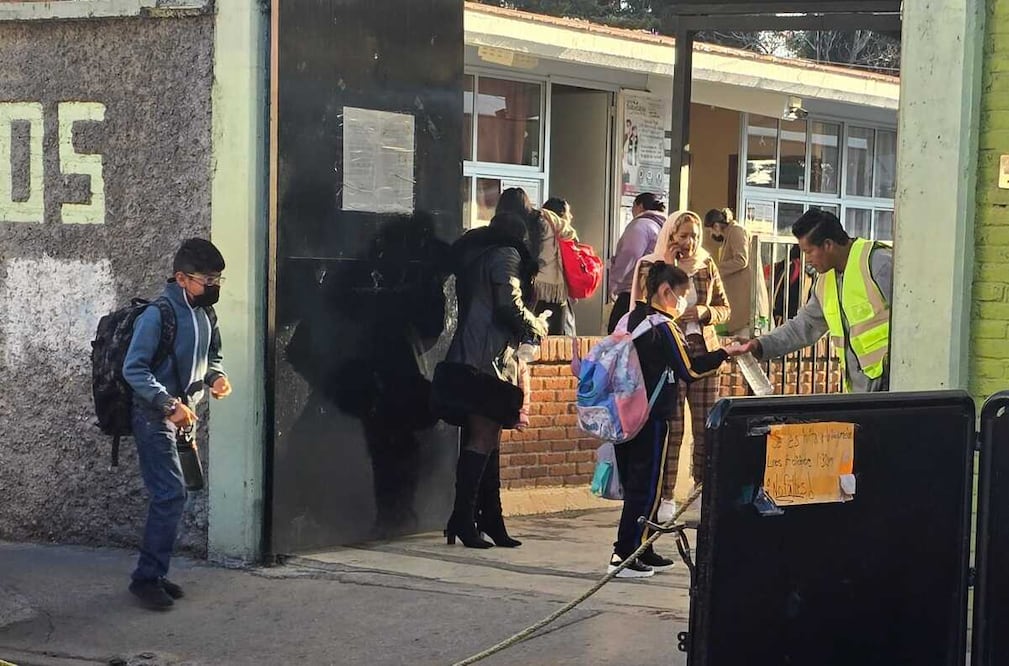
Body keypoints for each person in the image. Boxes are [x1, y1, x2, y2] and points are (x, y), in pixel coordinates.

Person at [122, 239, 231, 609]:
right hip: (155, 417)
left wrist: (215, 378)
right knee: (171, 495)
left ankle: (155, 573)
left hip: (183, 416)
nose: (214, 286)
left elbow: (212, 354)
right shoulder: (158, 314)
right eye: (208, 279)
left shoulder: (204, 314)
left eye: (219, 279)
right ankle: (146, 579)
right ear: (182, 278)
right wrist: (168, 403)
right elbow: (133, 369)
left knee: (173, 496)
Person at [609, 261, 729, 578]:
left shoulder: (628, 319)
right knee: (646, 487)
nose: (682, 304)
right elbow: (689, 370)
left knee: (639, 484)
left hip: (624, 415)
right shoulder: (662, 326)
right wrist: (724, 354)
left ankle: (642, 546)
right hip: (651, 418)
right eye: (681, 296)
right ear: (665, 292)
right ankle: (625, 554)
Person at [437, 212, 548, 549]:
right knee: (484, 439)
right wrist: (537, 326)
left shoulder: (477, 254)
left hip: (472, 355)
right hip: (488, 361)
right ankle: (465, 517)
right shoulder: (507, 254)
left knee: (486, 440)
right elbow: (508, 306)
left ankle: (487, 519)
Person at [728, 209, 892, 392]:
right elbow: (804, 326)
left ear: (828, 245)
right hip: (861, 392)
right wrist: (760, 345)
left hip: (893, 389)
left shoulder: (878, 263)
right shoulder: (825, 281)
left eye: (809, 252)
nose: (806, 260)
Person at [630, 211, 730, 499]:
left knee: (706, 429)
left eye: (695, 236)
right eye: (683, 235)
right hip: (669, 352)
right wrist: (669, 266)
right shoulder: (651, 266)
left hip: (702, 349)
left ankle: (703, 492)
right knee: (672, 430)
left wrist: (705, 312)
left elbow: (725, 307)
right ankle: (665, 497)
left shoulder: (706, 264)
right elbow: (644, 306)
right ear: (671, 235)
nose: (690, 242)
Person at [496, 188, 571, 335]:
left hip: (529, 293)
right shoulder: (546, 220)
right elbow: (569, 234)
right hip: (555, 293)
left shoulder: (515, 228)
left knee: (526, 342)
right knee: (554, 348)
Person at [607, 192, 666, 333]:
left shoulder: (640, 225)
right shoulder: (662, 227)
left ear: (639, 206)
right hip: (655, 294)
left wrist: (614, 283)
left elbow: (629, 254)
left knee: (617, 336)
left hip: (632, 292)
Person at [707, 208, 753, 339]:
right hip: (737, 296)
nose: (711, 234)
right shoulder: (730, 234)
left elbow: (741, 260)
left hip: (743, 296)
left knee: (743, 343)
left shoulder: (736, 231)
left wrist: (716, 269)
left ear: (716, 226)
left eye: (710, 230)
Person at [542, 196, 579, 335]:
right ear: (561, 215)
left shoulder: (538, 231)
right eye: (568, 212)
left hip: (538, 292)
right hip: (557, 295)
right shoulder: (564, 235)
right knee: (560, 339)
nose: (571, 216)